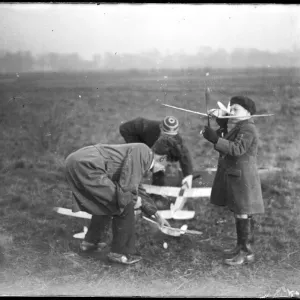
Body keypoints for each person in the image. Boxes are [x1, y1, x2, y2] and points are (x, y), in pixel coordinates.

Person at [64, 135, 181, 265]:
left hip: (80, 162)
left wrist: (156, 215)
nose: (164, 169)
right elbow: (127, 190)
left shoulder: (143, 154)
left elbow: (138, 189)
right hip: (87, 165)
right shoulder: (143, 152)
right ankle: (120, 253)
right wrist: (134, 201)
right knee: (124, 204)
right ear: (163, 158)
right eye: (167, 165)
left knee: (108, 202)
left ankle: (90, 243)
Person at [202, 96, 264, 266]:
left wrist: (215, 139)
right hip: (237, 175)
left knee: (243, 211)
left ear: (248, 112)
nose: (231, 112)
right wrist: (221, 126)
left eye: (235, 109)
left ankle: (246, 252)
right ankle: (241, 247)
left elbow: (236, 149)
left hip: (243, 176)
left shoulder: (248, 128)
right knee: (240, 211)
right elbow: (229, 142)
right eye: (232, 109)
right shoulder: (241, 126)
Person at [119, 116, 194, 206]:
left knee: (158, 166)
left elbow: (184, 154)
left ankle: (156, 193)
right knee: (141, 164)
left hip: (155, 145)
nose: (169, 138)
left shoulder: (175, 138)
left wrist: (188, 176)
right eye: (166, 135)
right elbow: (124, 128)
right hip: (135, 136)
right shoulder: (148, 129)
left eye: (171, 136)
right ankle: (130, 191)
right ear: (161, 129)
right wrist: (140, 148)